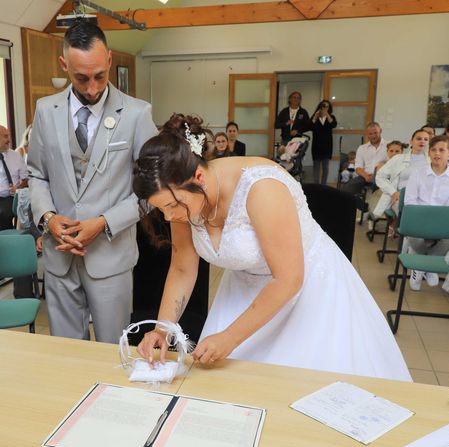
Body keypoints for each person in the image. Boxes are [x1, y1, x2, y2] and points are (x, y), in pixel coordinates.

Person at [133, 113, 411, 381]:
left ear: (199, 178)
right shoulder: (183, 196)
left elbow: (289, 279)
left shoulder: (261, 188)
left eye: (171, 207)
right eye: (162, 210)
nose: (169, 217)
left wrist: (230, 337)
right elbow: (182, 267)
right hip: (244, 291)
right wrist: (163, 328)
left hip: (306, 289)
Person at [28, 20, 157, 344]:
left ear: (109, 60)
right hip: (59, 257)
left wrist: (103, 223)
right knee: (65, 354)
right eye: (81, 77)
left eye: (100, 75)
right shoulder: (45, 110)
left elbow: (152, 189)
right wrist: (48, 218)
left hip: (110, 258)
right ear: (64, 65)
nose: (92, 88)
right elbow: (36, 174)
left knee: (112, 351)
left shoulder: (137, 114)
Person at [405, 135, 449, 291]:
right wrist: (424, 220)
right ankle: (424, 265)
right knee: (414, 237)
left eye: (442, 150)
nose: (437, 153)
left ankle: (423, 265)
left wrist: (436, 224)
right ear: (429, 152)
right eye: (433, 150)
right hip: (418, 221)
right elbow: (410, 201)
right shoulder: (418, 173)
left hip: (441, 223)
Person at [372, 131, 429, 224]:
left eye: (426, 139)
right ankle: (411, 233)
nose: (422, 141)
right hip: (401, 197)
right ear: (411, 141)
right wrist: (393, 192)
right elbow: (380, 176)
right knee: (411, 215)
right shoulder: (398, 158)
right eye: (419, 138)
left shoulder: (432, 160)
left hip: (425, 197)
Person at [340, 122, 388, 196]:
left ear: (380, 131)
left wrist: (376, 176)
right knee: (346, 189)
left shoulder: (389, 146)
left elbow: (392, 164)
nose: (373, 136)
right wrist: (366, 176)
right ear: (367, 134)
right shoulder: (362, 148)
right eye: (370, 134)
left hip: (383, 177)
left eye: (375, 133)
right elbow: (358, 167)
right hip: (365, 176)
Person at [309, 100, 337, 185]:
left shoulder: (331, 117)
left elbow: (333, 124)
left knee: (325, 167)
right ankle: (316, 185)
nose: (324, 108)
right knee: (316, 167)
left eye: (327, 106)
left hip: (327, 146)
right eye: (323, 106)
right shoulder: (315, 117)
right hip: (316, 145)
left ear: (329, 108)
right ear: (320, 107)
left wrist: (327, 114)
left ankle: (323, 186)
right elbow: (309, 126)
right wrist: (315, 117)